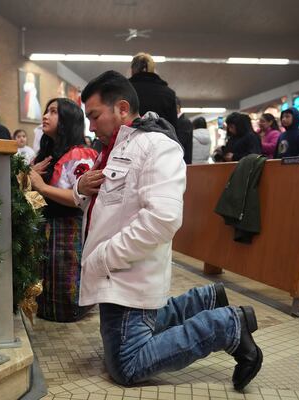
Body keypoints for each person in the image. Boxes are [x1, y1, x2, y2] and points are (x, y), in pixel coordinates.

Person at [73, 70, 262, 390]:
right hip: (115, 275)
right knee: (124, 347)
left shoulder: (155, 146)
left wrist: (104, 259)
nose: (91, 126)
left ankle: (227, 326)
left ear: (121, 108)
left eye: (94, 116)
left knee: (126, 365)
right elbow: (103, 204)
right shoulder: (114, 148)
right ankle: (206, 299)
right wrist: (80, 187)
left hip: (125, 275)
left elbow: (162, 218)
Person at [28, 98, 98, 322]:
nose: (45, 116)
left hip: (69, 228)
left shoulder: (80, 155)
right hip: (46, 227)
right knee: (45, 280)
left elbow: (80, 199)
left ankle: (71, 310)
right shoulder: (45, 155)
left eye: (53, 112)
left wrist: (41, 186)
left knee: (67, 281)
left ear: (68, 119)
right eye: (46, 111)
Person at [128, 52, 177, 128]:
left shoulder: (124, 91)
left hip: (130, 137)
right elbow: (173, 127)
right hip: (160, 138)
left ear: (132, 70)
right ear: (153, 69)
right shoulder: (168, 94)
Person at [176, 97, 194, 164]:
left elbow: (180, 143)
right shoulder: (181, 121)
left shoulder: (184, 122)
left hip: (183, 163)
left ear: (177, 107)